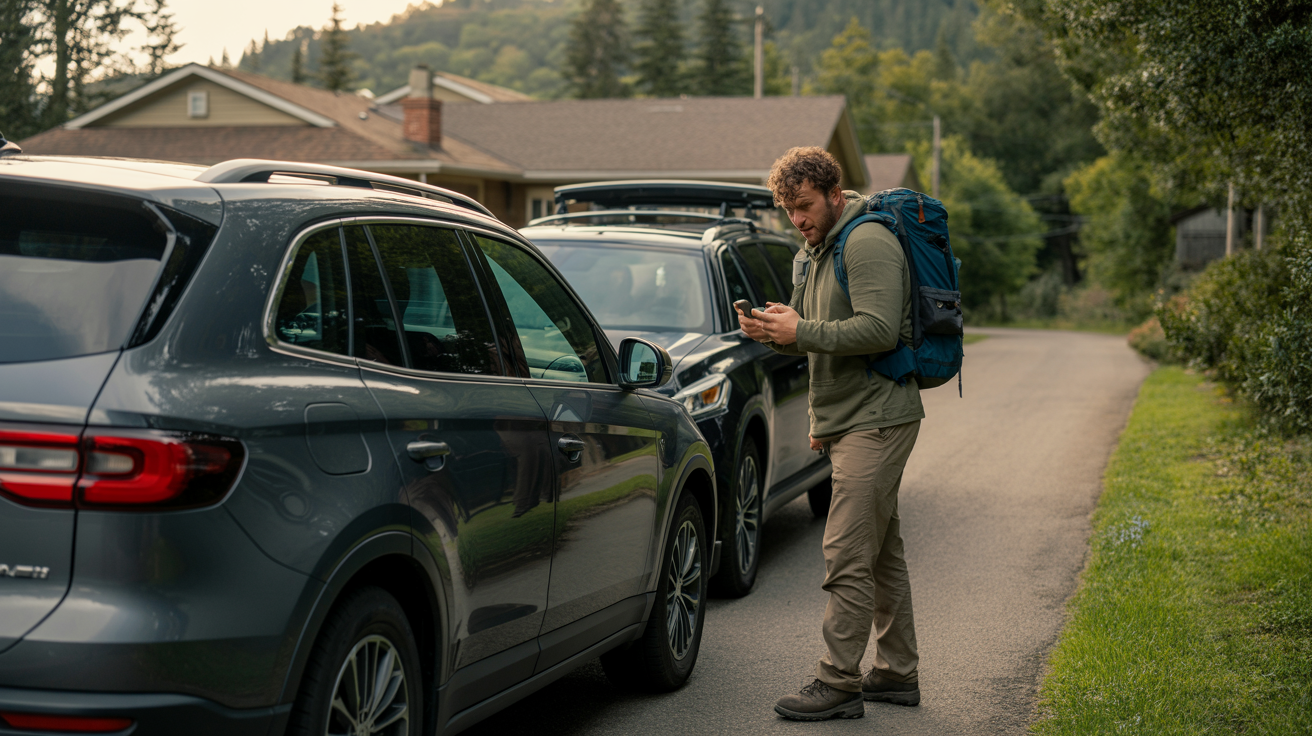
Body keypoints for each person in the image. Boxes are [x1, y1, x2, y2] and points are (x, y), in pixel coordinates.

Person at [738, 147, 925, 721]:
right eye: (788, 210)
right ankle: (896, 672)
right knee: (881, 553)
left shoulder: (866, 241)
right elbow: (814, 340)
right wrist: (775, 332)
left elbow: (879, 329)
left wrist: (802, 330)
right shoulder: (813, 252)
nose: (797, 219)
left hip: (880, 416)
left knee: (845, 551)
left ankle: (838, 681)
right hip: (850, 418)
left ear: (834, 196)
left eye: (805, 206)